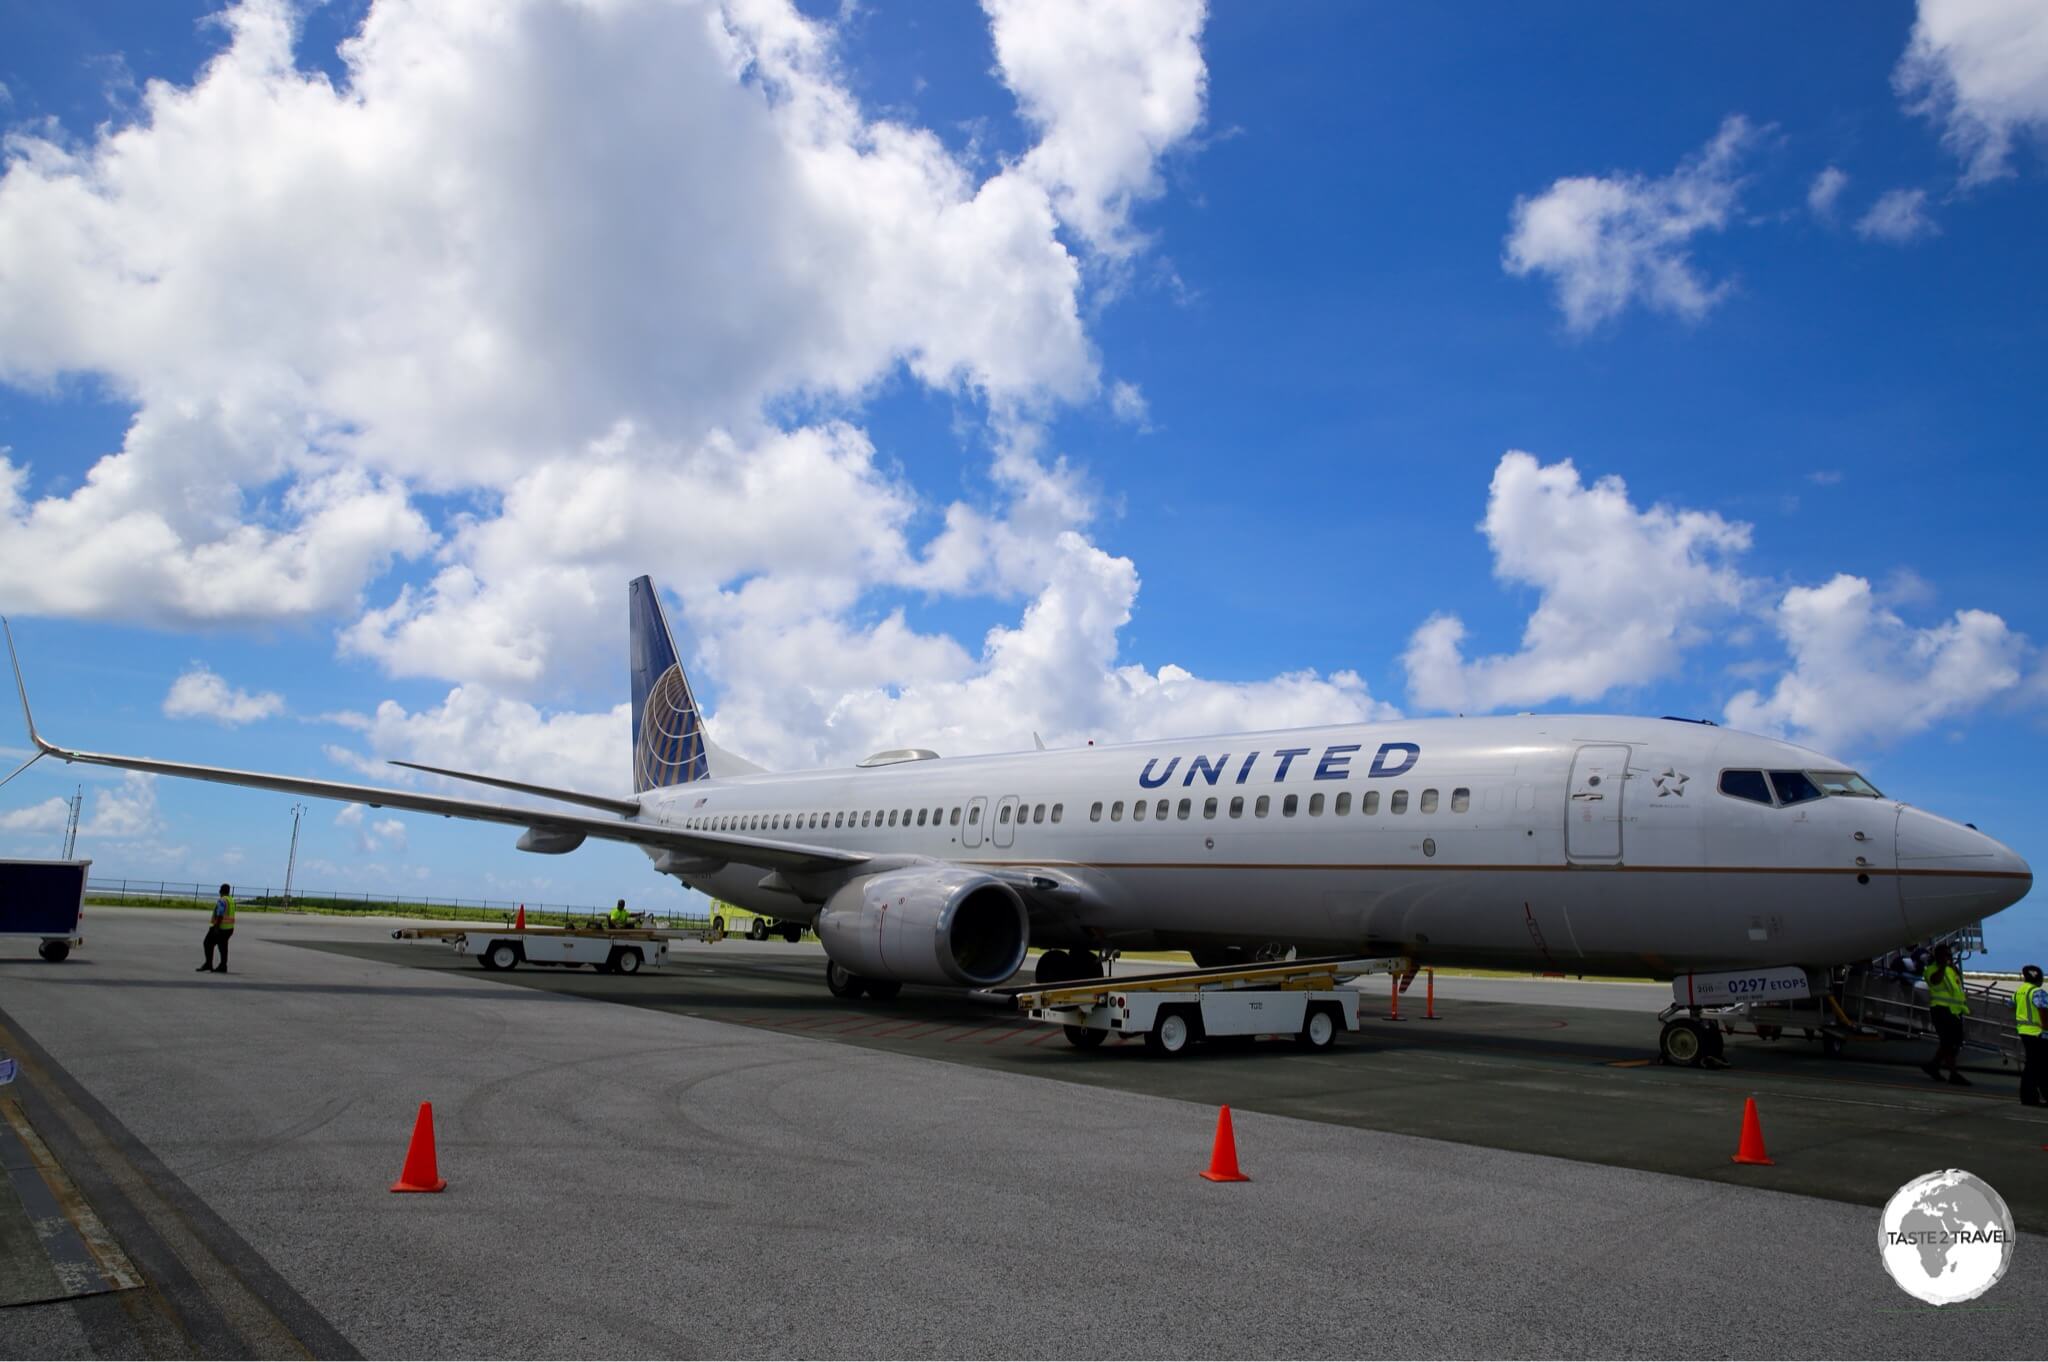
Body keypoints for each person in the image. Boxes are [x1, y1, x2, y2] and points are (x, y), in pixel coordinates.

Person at [1920, 942, 1970, 1086]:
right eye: (1945, 955)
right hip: (1941, 1010)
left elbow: (1957, 981)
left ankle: (1934, 1065)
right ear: (1938, 956)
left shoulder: (1950, 969)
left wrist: (1952, 966)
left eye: (1949, 954)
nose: (1948, 957)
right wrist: (1942, 966)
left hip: (1954, 1010)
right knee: (1948, 1042)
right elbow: (1934, 981)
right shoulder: (1931, 969)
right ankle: (1953, 1073)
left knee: (1954, 1042)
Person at [2017, 964, 2047, 1108]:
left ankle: (2033, 1096)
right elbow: (2043, 1012)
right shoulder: (2038, 992)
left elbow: (2011, 1005)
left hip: (2024, 1031)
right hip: (2037, 1033)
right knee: (2035, 1066)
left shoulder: (2020, 991)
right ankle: (2029, 1097)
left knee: (2034, 1065)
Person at [198, 883, 236, 974]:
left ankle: (208, 963)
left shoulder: (222, 900)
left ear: (221, 891)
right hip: (229, 928)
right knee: (223, 947)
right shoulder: (231, 900)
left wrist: (216, 927)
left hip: (221, 928)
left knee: (207, 943)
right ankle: (223, 965)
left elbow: (220, 914)